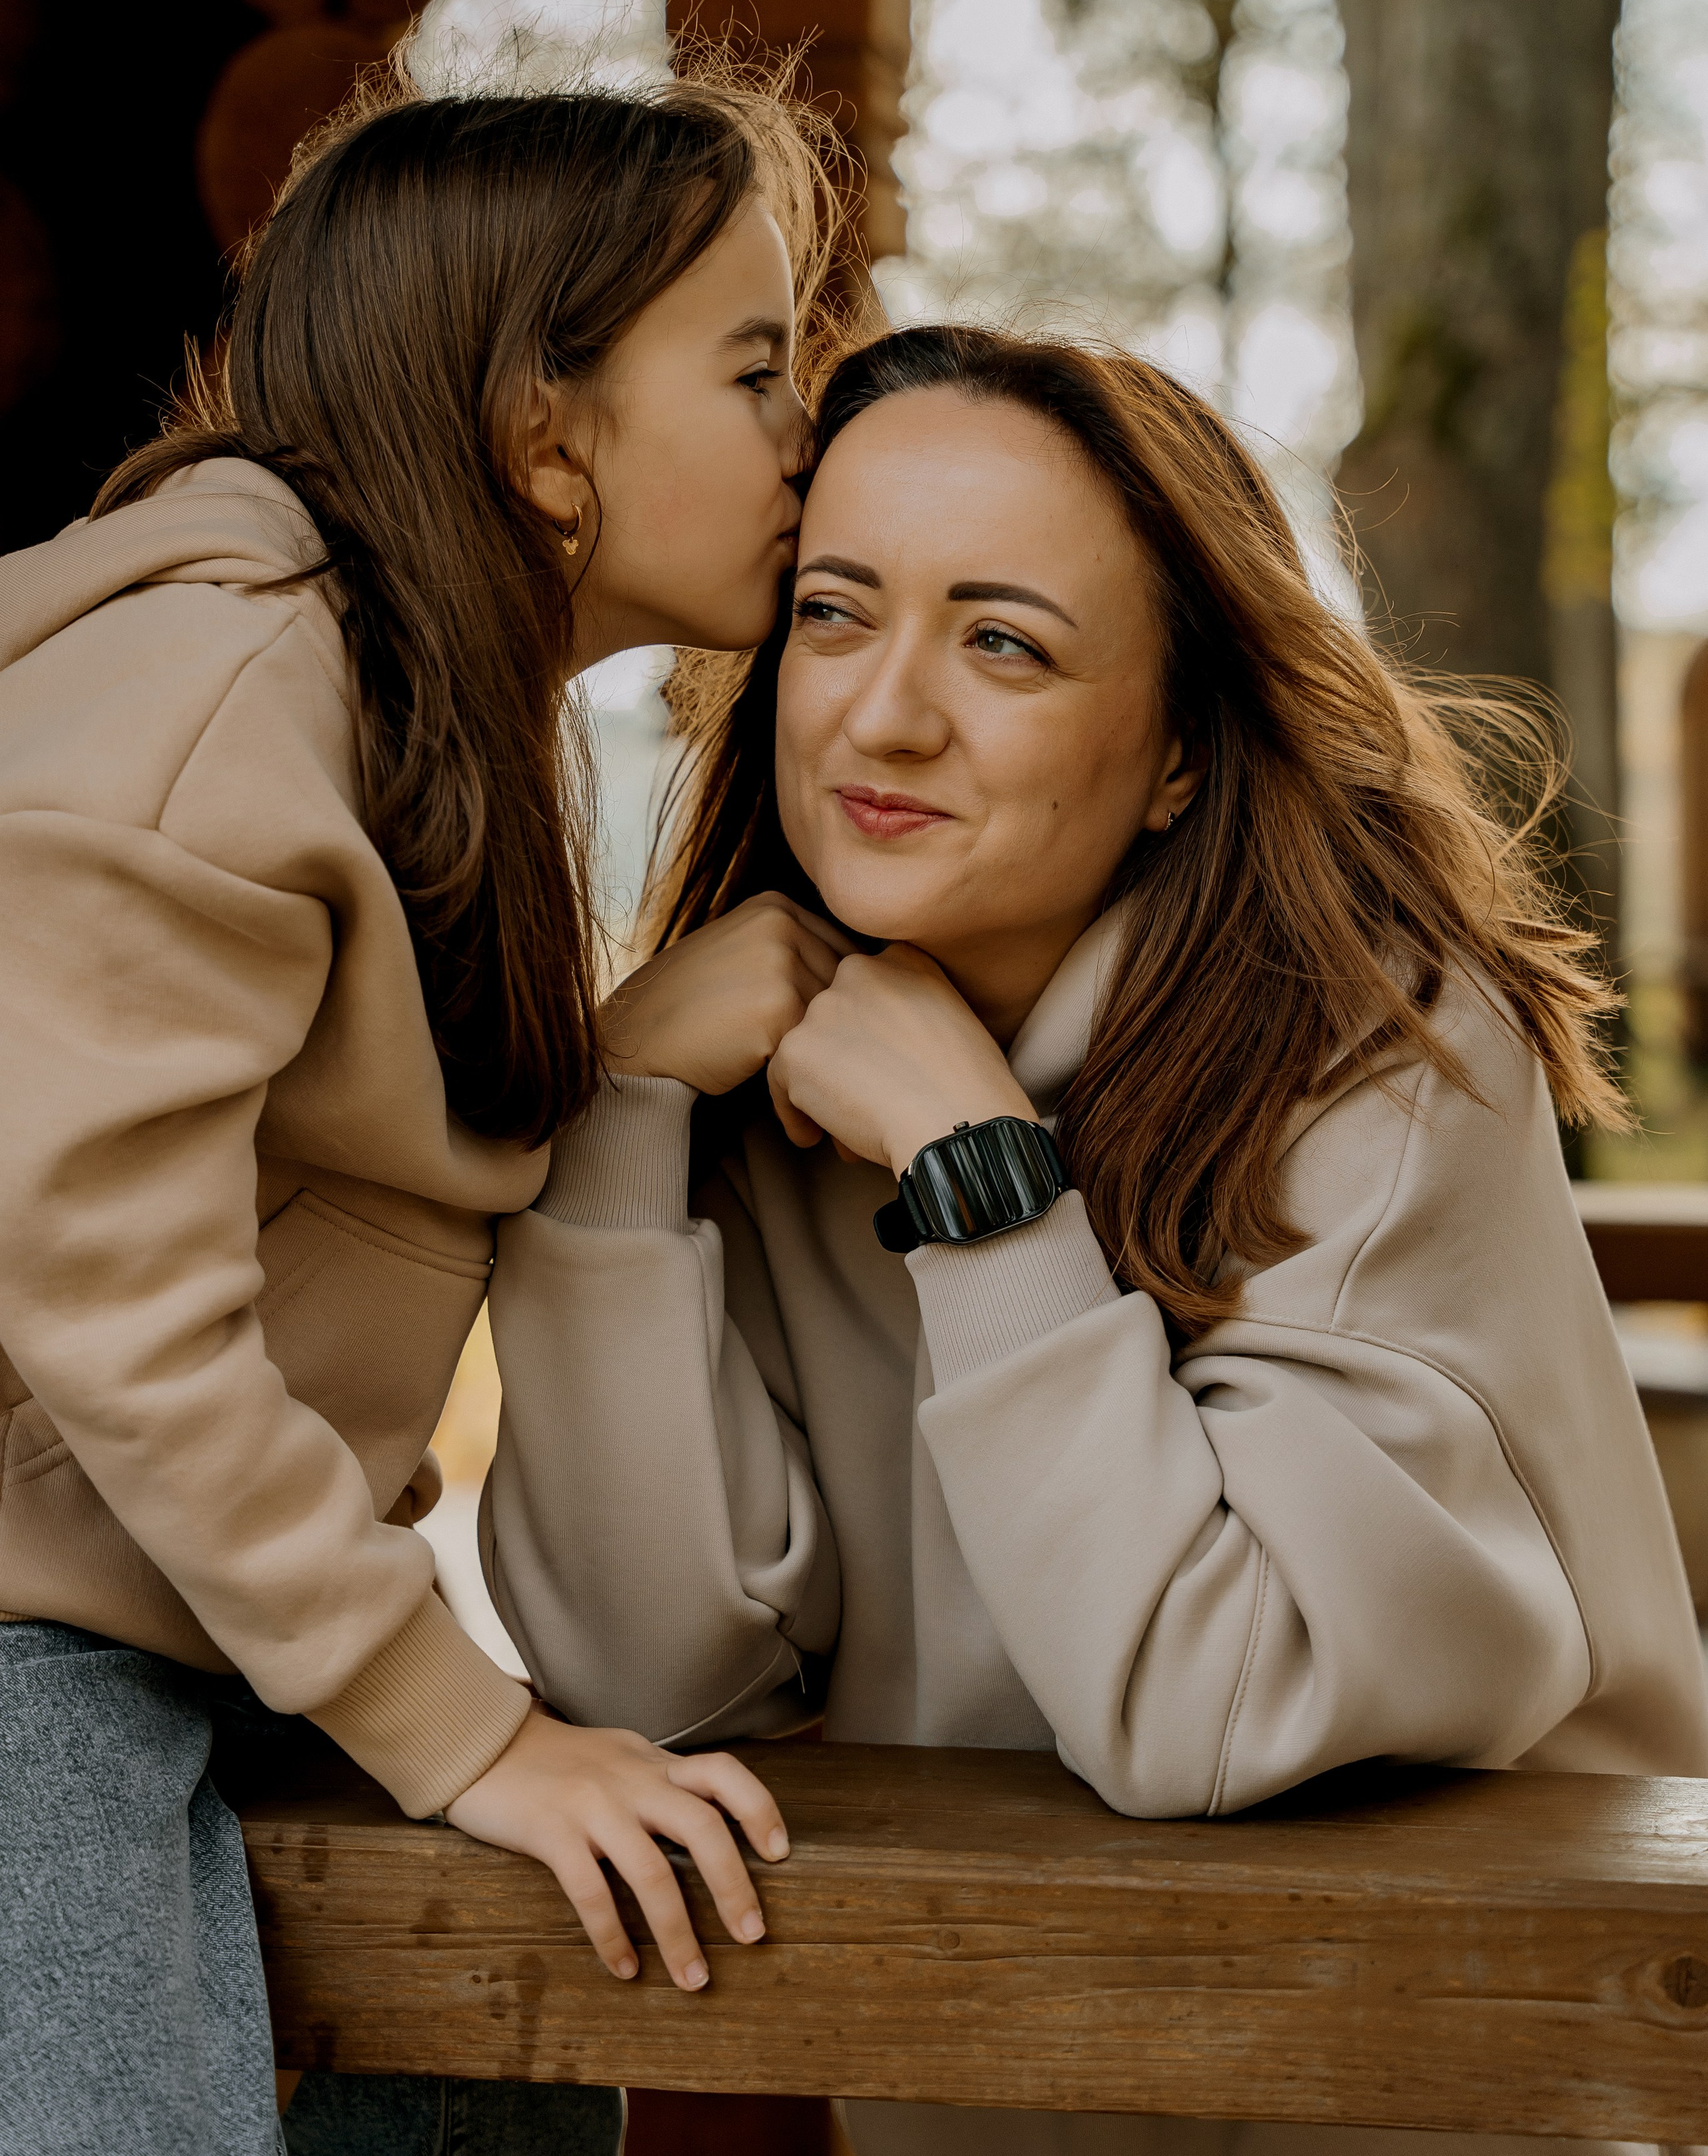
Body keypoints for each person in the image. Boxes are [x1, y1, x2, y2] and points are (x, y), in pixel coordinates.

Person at [483, 322, 1708, 2156]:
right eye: (835, 612)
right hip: (987, 2094)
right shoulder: (755, 1080)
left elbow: (1209, 1707)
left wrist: (977, 1170)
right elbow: (660, 1682)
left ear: (1178, 759)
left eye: (1004, 643)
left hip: (1444, 2105)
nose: (885, 714)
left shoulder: (1380, 1055)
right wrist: (616, 1124)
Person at [0, 57, 830, 2156]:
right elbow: (110, 1309)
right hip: (26, 1651)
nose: (806, 435)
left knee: (527, 2033)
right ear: (549, 435)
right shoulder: (214, 700)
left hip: (164, 1619)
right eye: (755, 371)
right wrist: (466, 1729)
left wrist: (629, 1051)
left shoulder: (419, 716)